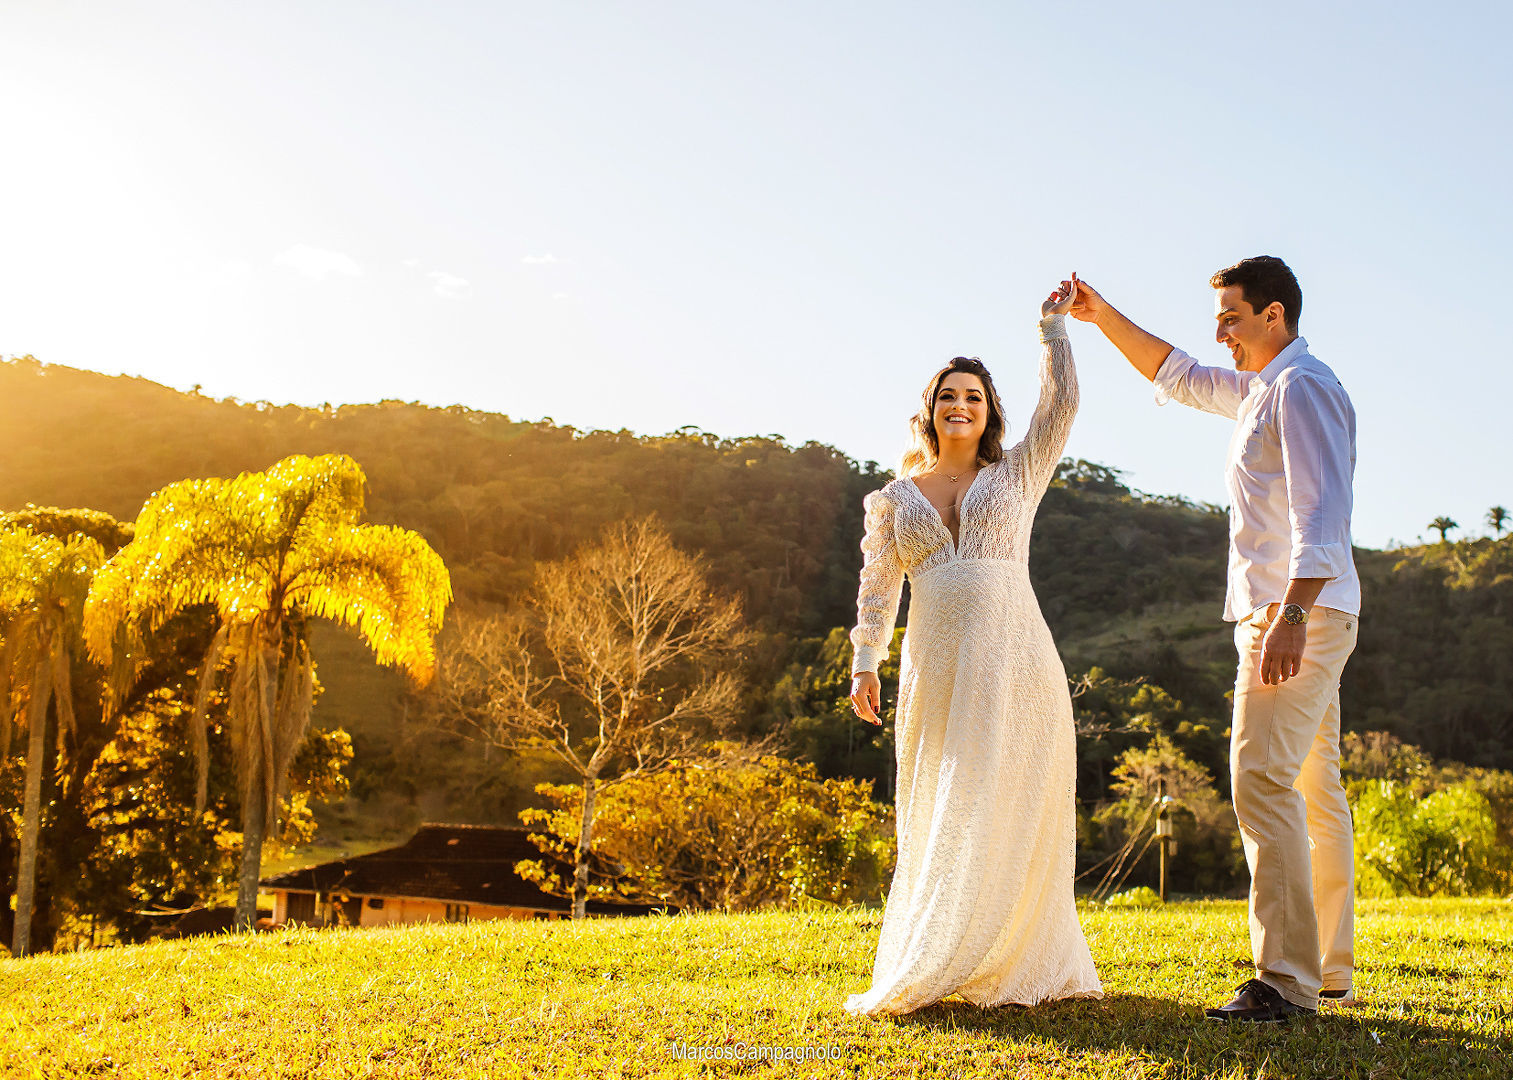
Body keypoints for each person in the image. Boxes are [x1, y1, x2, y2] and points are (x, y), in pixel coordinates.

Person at [1069, 257, 1359, 1023]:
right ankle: (1325, 970)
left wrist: (1289, 618)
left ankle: (1285, 982)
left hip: (1294, 613)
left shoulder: (1301, 387)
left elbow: (1320, 514)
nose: (1221, 333)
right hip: (1298, 611)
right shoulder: (1260, 390)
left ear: (1273, 314)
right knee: (1308, 787)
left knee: (1260, 781)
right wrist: (1101, 316)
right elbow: (1177, 373)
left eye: (1231, 317)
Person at [843, 277, 1102, 1016]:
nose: (960, 406)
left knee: (1010, 795)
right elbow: (875, 588)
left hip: (1015, 653)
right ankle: (939, 948)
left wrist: (1051, 332)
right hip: (937, 660)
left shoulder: (1017, 471)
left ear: (988, 413)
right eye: (948, 396)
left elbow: (1063, 407)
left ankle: (1010, 951)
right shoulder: (895, 498)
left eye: (973, 398)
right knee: (943, 800)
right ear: (929, 409)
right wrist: (867, 662)